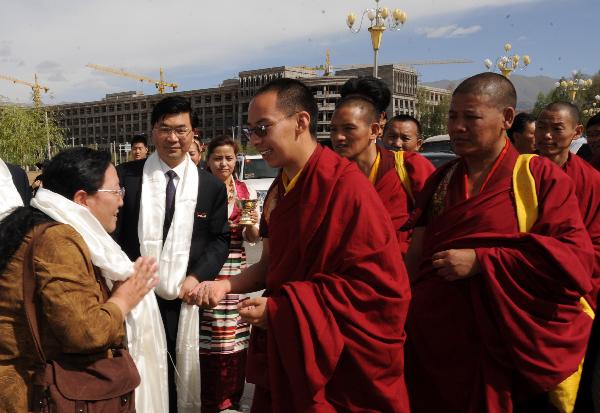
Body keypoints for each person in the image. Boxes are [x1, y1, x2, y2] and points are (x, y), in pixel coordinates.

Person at [193, 78, 411, 412]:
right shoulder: (280, 190)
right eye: (251, 130)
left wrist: (282, 310)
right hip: (293, 342)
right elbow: (270, 266)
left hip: (338, 359)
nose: (256, 140)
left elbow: (379, 288)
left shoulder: (346, 187)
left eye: (263, 128)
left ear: (301, 122)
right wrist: (226, 286)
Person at [404, 72, 594, 413]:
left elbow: (574, 258)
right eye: (452, 116)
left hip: (511, 343)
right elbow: (416, 257)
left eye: (471, 117)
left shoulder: (539, 176)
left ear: (506, 118)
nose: (457, 127)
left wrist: (483, 261)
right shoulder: (443, 179)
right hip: (440, 342)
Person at [0, 148, 158, 412]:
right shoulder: (58, 239)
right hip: (35, 395)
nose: (121, 202)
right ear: (83, 199)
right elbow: (85, 332)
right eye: (116, 191)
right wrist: (124, 297)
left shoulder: (35, 223)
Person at [116, 96, 230, 412]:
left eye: (181, 130)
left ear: (194, 133)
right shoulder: (127, 177)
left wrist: (195, 278)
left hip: (184, 296)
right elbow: (113, 234)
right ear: (153, 132)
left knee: (179, 371)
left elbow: (220, 240)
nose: (173, 138)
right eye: (165, 129)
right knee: (138, 367)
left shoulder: (210, 187)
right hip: (136, 294)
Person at [200, 135, 259, 412]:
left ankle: (230, 397)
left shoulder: (244, 191)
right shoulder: (200, 188)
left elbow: (252, 237)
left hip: (236, 267)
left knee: (235, 334)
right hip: (208, 267)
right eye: (218, 158)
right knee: (208, 336)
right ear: (208, 160)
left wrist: (252, 224)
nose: (224, 163)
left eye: (229, 158)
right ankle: (207, 396)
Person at [330, 95, 434, 253]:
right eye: (333, 129)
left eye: (348, 128)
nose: (338, 137)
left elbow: (438, 219)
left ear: (374, 130)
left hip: (404, 265)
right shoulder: (332, 175)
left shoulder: (409, 165)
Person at [535, 101, 600, 307]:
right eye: (541, 127)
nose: (547, 135)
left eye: (557, 129)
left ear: (577, 132)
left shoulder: (591, 180)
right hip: (520, 274)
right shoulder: (519, 171)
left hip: (571, 281)